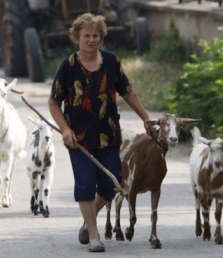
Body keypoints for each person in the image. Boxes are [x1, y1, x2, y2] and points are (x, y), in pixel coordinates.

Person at [48, 12, 156, 253]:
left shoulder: (111, 62)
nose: (91, 39)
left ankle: (88, 220)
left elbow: (127, 91)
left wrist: (146, 118)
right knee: (85, 184)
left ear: (101, 38)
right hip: (78, 139)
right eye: (86, 35)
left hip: (108, 135)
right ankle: (94, 235)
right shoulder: (68, 67)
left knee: (112, 183)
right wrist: (65, 130)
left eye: (96, 35)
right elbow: (54, 102)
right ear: (77, 37)